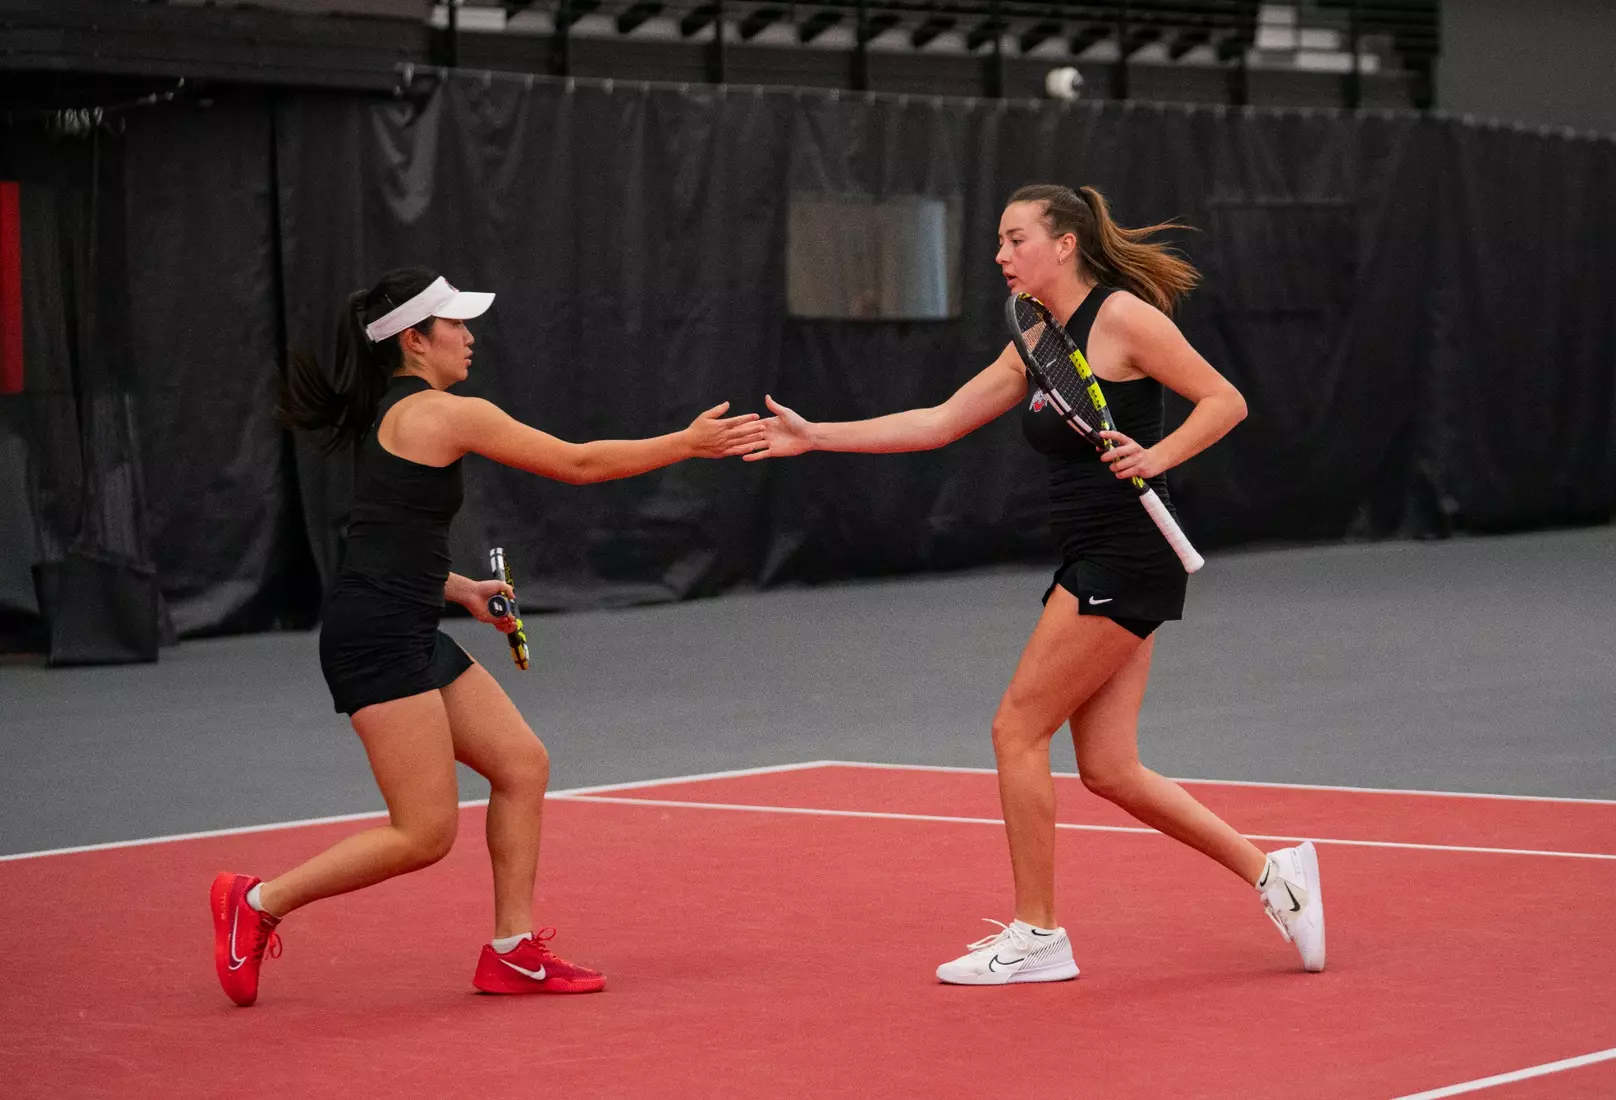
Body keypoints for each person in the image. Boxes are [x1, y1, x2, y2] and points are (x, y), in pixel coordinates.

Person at [749, 185, 1325, 984]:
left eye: (1014, 238)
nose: (1000, 254)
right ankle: (1278, 878)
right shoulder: (1034, 335)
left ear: (1064, 245)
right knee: (1111, 770)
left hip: (1123, 557)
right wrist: (815, 438)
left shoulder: (1122, 318)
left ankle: (1039, 933)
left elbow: (1224, 400)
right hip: (1095, 554)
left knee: (1016, 729)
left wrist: (1159, 456)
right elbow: (938, 421)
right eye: (999, 239)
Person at [211, 266, 765, 1006]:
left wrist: (460, 589)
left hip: (399, 619)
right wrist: (686, 444)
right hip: (376, 639)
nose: (469, 338)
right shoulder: (443, 414)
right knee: (423, 833)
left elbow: (382, 543)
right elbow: (576, 464)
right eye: (456, 326)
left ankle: (511, 950)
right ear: (415, 339)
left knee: (520, 764)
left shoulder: (402, 415)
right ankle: (255, 902)